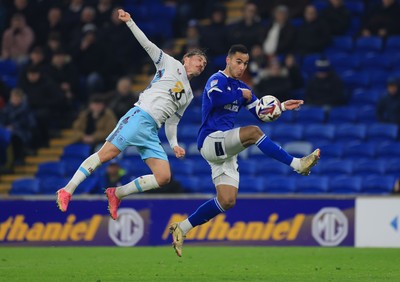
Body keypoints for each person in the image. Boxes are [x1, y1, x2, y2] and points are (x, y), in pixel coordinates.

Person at [168, 44, 320, 257]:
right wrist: (242, 93)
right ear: (228, 60)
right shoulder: (217, 79)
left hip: (225, 147)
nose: (242, 67)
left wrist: (282, 107)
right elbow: (218, 98)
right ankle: (297, 164)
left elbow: (260, 112)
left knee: (227, 200)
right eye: (238, 62)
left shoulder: (242, 87)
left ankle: (182, 227)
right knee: (253, 132)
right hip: (210, 140)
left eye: (245, 63)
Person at [56, 9, 207, 215]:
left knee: (163, 177)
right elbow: (147, 45)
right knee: (106, 154)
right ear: (187, 58)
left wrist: (174, 144)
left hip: (152, 130)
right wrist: (130, 22)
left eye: (204, 64)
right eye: (199, 60)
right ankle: (67, 190)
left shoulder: (188, 94)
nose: (202, 65)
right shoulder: (170, 64)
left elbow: (172, 122)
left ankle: (117, 193)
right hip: (139, 116)